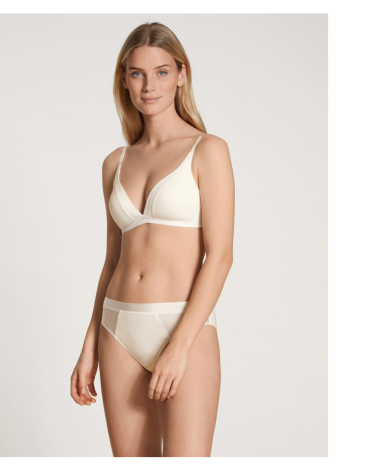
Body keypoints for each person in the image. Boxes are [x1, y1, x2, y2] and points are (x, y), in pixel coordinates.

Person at [71, 21, 234, 457]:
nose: (149, 86)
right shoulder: (115, 163)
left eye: (161, 72)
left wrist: (178, 347)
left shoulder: (208, 150)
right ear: (124, 80)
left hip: (182, 325)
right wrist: (89, 346)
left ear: (181, 74)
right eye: (137, 73)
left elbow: (220, 257)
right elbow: (112, 261)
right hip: (117, 328)